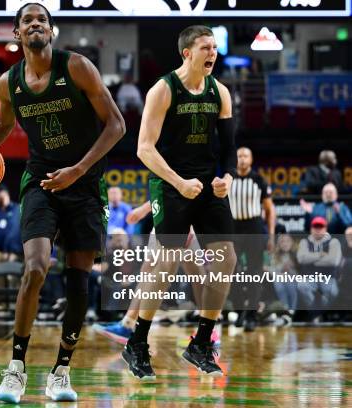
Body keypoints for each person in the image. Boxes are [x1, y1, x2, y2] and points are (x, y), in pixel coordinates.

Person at [0, 3, 125, 403]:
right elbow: (4, 125)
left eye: (42, 20)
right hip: (40, 182)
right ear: (17, 35)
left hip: (86, 184)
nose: (35, 24)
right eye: (27, 21)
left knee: (77, 283)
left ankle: (60, 371)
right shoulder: (9, 83)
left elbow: (117, 124)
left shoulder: (76, 67)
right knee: (35, 268)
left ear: (51, 31)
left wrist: (78, 169)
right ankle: (16, 368)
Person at [124, 25, 237, 379]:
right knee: (167, 262)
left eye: (215, 47)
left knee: (227, 258)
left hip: (206, 185)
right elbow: (144, 148)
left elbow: (230, 149)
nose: (213, 53)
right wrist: (177, 181)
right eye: (205, 47)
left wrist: (227, 178)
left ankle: (201, 343)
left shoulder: (220, 91)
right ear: (187, 52)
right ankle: (137, 343)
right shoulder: (163, 89)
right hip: (169, 183)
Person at [229, 147, 275, 331]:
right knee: (230, 271)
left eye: (245, 156)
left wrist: (270, 236)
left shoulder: (259, 180)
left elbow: (270, 210)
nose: (241, 159)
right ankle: (240, 310)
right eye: (238, 156)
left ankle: (251, 315)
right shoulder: (228, 178)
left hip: (254, 227)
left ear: (251, 159)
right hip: (233, 228)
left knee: (254, 272)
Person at [296, 216, 342, 322]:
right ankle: (315, 313)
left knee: (333, 291)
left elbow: (333, 261)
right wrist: (321, 254)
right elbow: (301, 259)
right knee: (302, 286)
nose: (318, 229)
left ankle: (319, 313)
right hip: (309, 277)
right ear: (311, 228)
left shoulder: (333, 242)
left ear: (325, 228)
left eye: (320, 227)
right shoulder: (304, 242)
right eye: (315, 227)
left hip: (327, 277)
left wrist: (311, 258)